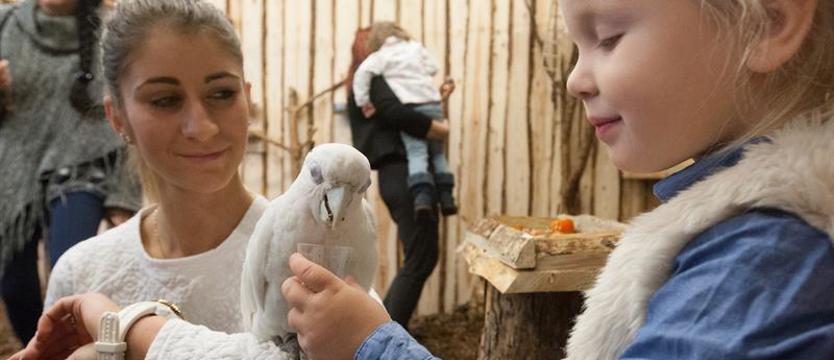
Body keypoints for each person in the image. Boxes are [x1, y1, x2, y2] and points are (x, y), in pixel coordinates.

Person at [17, 0, 834, 359]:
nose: (576, 77)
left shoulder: (761, 262)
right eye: (164, 99)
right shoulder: (85, 266)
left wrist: (125, 328)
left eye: (609, 36)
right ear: (114, 116)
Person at [44, 0, 271, 336]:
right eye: (165, 100)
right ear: (117, 117)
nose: (202, 128)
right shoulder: (83, 275)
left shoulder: (303, 256)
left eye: (222, 94)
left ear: (246, 98)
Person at [0, 0, 141, 344]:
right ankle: (42, 346)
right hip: (14, 170)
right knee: (13, 283)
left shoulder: (113, 29)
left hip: (84, 169)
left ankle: (71, 347)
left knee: (71, 270)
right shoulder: (6, 25)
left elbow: (128, 115)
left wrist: (123, 193)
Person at [346, 27, 452, 330]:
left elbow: (402, 108)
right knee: (422, 257)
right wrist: (437, 129)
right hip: (404, 175)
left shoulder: (374, 80)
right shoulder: (375, 79)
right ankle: (384, 333)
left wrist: (438, 98)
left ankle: (384, 331)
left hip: (401, 175)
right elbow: (395, 111)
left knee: (421, 256)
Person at [352, 21, 458, 218]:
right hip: (432, 104)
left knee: (417, 153)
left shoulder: (380, 57)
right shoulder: (415, 48)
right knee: (437, 154)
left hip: (412, 105)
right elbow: (433, 67)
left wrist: (364, 102)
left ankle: (422, 196)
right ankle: (447, 197)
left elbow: (363, 74)